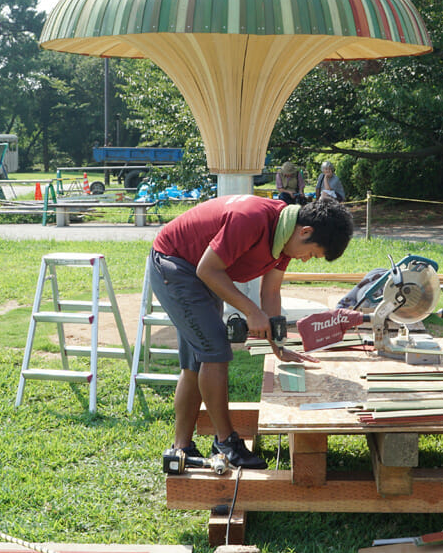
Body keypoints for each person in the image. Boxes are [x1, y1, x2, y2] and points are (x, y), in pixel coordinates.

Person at [149, 195, 355, 468]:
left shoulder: (285, 236)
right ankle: (226, 444)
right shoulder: (251, 219)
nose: (305, 260)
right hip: (176, 265)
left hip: (199, 271)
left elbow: (270, 292)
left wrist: (278, 345)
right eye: (312, 253)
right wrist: (251, 312)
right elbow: (208, 269)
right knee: (214, 352)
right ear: (306, 232)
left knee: (196, 362)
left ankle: (182, 448)